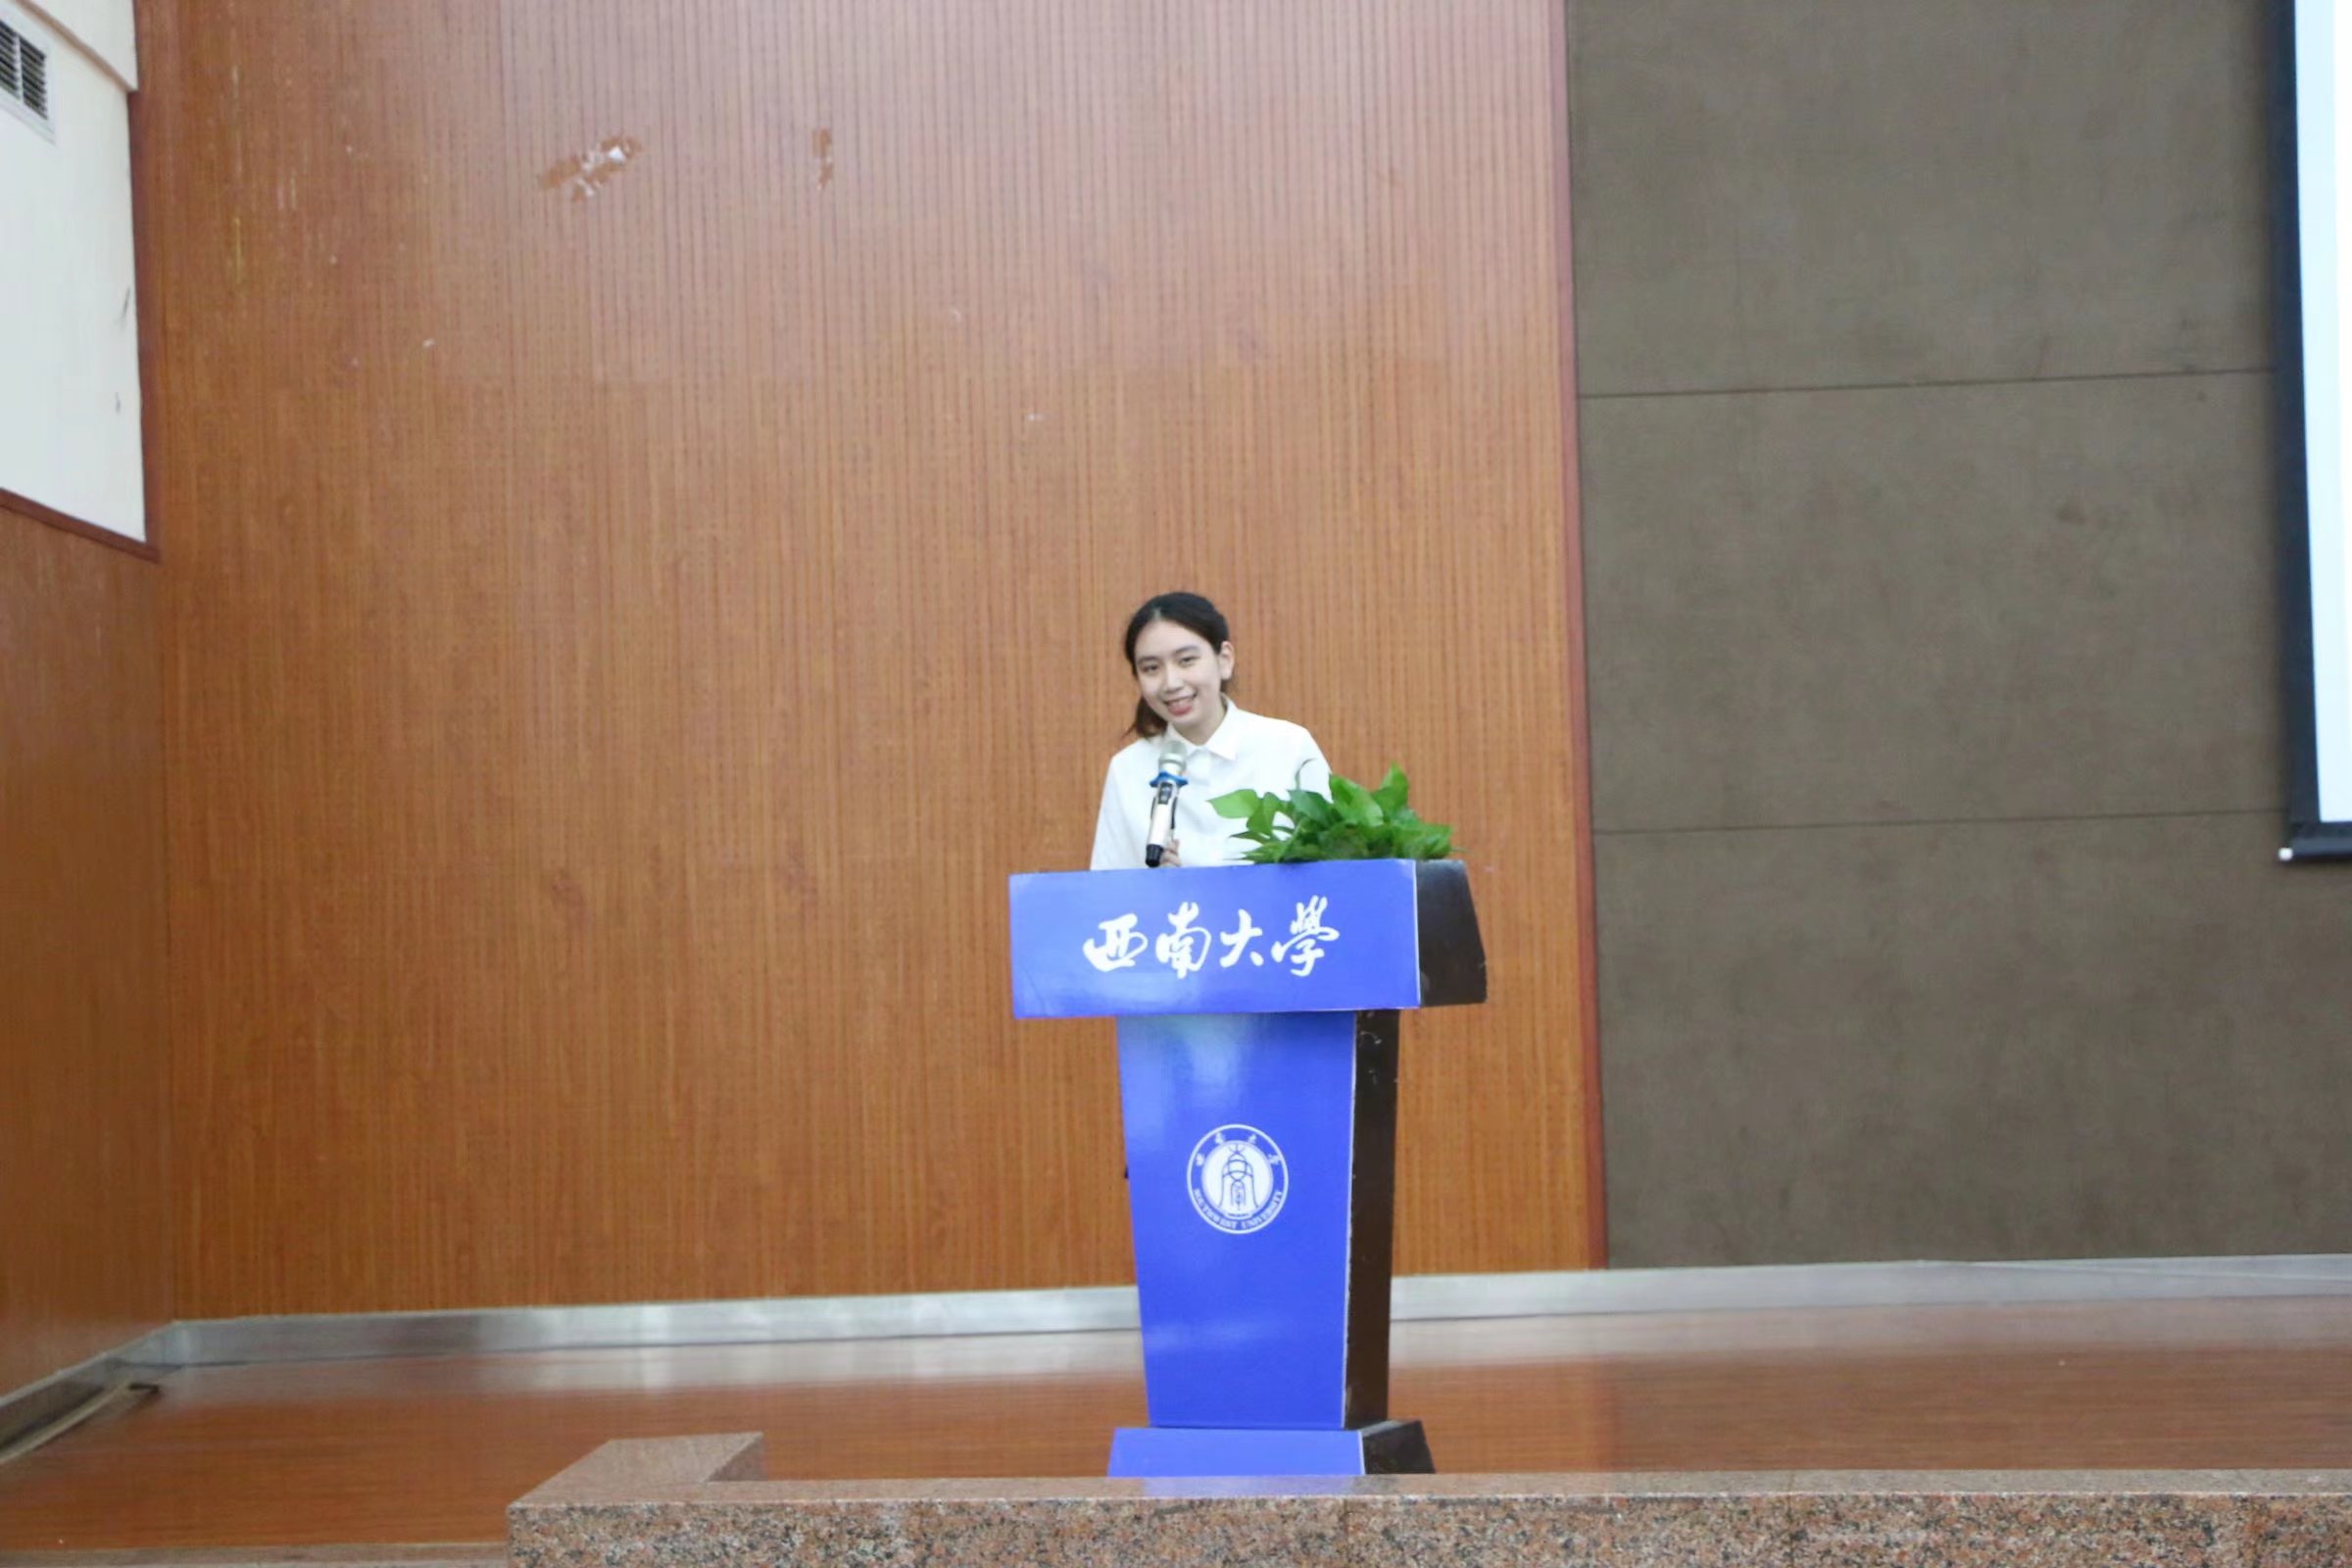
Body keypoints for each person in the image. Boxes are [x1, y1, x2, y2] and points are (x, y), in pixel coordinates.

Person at [1090, 592, 1332, 869]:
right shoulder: (1128, 769)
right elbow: (1108, 883)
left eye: (1186, 660)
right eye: (1151, 668)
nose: (1171, 683)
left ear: (1224, 659)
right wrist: (1158, 883)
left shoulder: (1288, 747)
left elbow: (1333, 864)